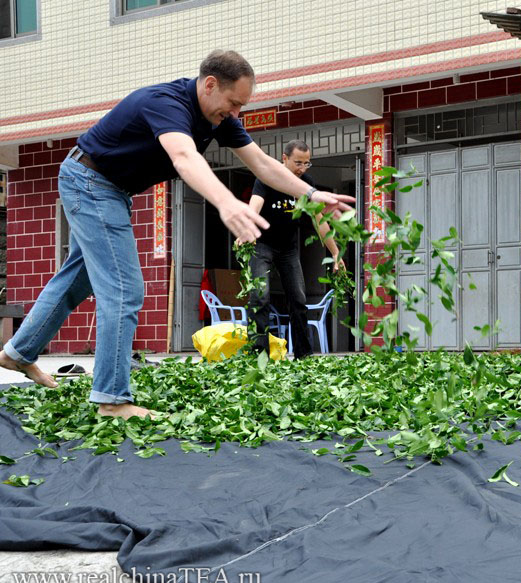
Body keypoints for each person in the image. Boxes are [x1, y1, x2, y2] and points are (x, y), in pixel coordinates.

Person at [0, 50, 355, 419]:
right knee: (123, 289)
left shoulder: (221, 117)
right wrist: (226, 202)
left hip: (110, 189)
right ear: (210, 85)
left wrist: (312, 195)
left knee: (76, 280)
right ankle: (112, 400)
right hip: (89, 181)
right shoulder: (167, 104)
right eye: (233, 103)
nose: (236, 114)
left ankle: (15, 354)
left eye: (242, 107)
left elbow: (263, 164)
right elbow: (185, 158)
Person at [247, 139, 344, 358]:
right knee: (259, 297)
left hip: (288, 249)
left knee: (299, 301)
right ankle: (257, 357)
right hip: (262, 245)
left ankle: (304, 356)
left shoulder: (306, 183)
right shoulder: (267, 178)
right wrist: (247, 228)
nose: (302, 169)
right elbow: (255, 206)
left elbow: (319, 220)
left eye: (306, 163)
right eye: (298, 163)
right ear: (284, 158)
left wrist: (335, 251)